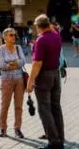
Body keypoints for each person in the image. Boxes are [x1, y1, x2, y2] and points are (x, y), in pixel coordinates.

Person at [26, 14, 65, 149]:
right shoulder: (56, 36)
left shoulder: (41, 40)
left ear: (37, 26)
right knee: (56, 106)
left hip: (44, 75)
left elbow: (37, 63)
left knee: (44, 108)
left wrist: (30, 81)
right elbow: (53, 30)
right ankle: (60, 136)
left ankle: (53, 141)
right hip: (55, 74)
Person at [0, 27, 27, 139]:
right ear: (5, 37)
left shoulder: (18, 48)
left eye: (14, 35)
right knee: (5, 105)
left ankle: (17, 128)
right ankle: (3, 128)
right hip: (6, 80)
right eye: (11, 35)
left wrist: (11, 64)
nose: (14, 37)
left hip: (19, 80)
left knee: (18, 106)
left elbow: (23, 61)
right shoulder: (1, 49)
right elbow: (3, 65)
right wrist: (15, 63)